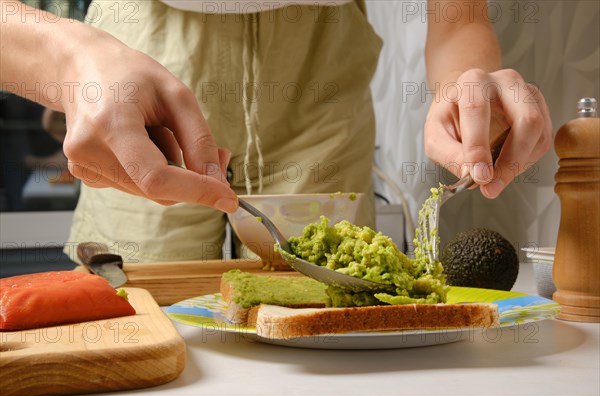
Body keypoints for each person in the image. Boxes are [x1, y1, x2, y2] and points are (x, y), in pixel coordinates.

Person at [1, 0, 552, 262]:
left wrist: (463, 81)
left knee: (327, 316)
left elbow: (458, 16)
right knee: (138, 313)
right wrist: (71, 57)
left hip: (323, 72)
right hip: (143, 47)